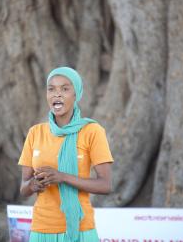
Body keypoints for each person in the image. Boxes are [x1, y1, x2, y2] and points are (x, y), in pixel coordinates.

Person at [18, 66, 114, 242]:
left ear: (76, 94)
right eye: (51, 89)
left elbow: (105, 185)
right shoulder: (35, 132)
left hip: (80, 228)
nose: (57, 94)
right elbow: (23, 187)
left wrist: (62, 177)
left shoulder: (92, 131)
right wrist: (33, 185)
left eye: (65, 88)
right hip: (42, 228)